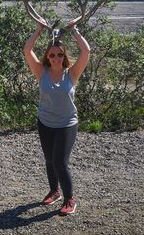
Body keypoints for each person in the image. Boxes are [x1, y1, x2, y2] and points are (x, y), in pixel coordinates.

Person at [23, 19, 90, 216]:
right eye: (52, 55)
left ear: (64, 56)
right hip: (45, 123)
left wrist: (74, 30)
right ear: (47, 56)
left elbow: (86, 52)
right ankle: (54, 191)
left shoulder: (71, 74)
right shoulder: (40, 72)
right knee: (49, 160)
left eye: (59, 54)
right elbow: (27, 50)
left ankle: (70, 199)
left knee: (60, 161)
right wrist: (38, 30)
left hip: (67, 124)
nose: (56, 58)